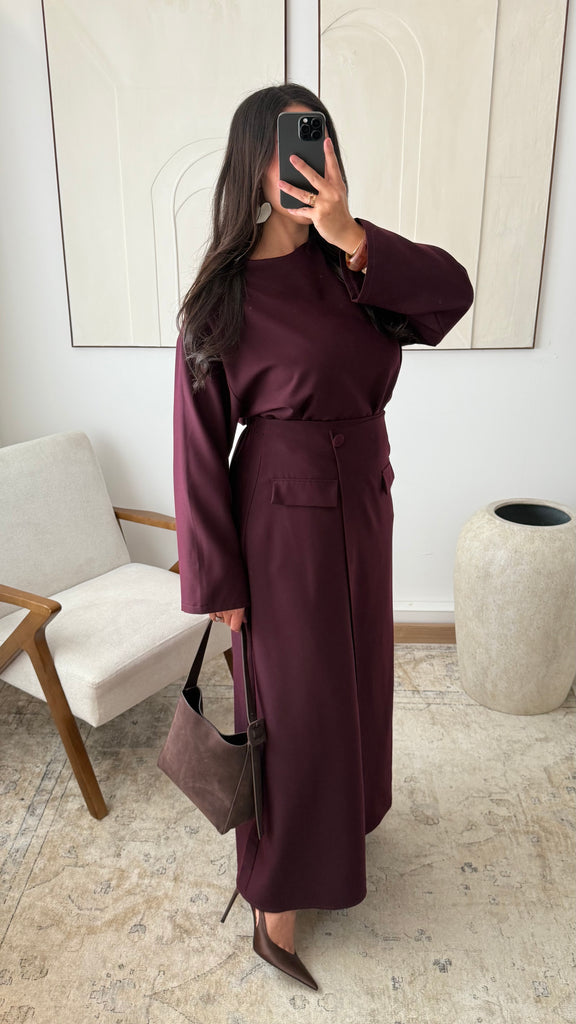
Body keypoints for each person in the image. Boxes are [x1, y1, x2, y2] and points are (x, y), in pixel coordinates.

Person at [172, 83, 474, 991]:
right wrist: (219, 581)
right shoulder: (221, 299)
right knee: (290, 711)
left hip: (364, 504)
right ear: (253, 164)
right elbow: (196, 447)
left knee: (357, 687)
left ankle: (341, 834)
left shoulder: (356, 267)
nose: (311, 164)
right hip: (276, 523)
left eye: (322, 144)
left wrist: (353, 237)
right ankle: (273, 904)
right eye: (291, 148)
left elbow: (452, 295)